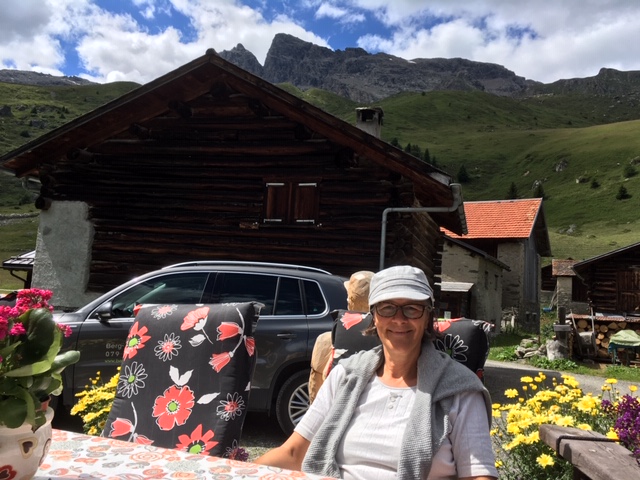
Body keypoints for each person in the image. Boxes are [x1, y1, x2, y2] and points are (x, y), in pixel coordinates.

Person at [255, 265, 498, 479]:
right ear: (373, 317)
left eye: (412, 308)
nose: (399, 319)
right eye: (387, 308)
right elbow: (293, 452)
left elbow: (479, 476)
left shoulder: (460, 391)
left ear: (427, 317)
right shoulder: (345, 376)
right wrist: (239, 472)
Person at [308, 270, 374, 403]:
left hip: (335, 409)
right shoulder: (389, 341)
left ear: (350, 301)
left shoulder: (326, 341)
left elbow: (315, 390)